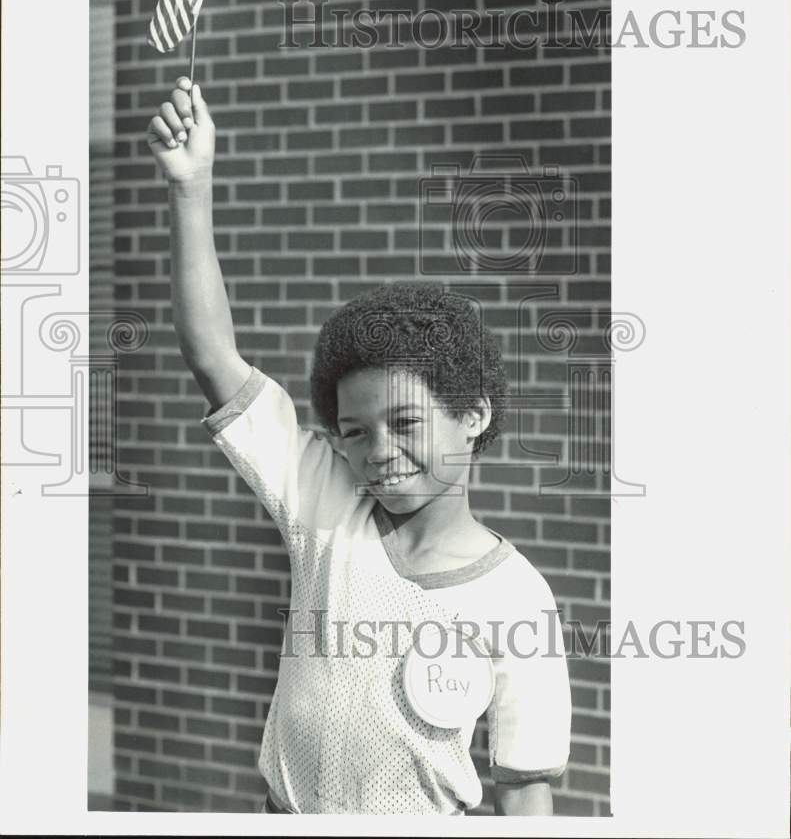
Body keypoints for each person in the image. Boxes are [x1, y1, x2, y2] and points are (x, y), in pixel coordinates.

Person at [147, 76, 572, 815]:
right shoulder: (324, 501)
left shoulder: (518, 599)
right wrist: (191, 186)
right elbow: (212, 355)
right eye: (352, 431)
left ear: (472, 413)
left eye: (405, 423)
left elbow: (524, 792)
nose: (376, 450)